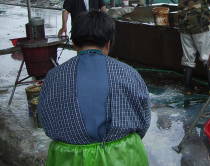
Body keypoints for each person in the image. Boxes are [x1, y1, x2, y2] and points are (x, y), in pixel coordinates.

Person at [39, 11, 151, 165]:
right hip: (124, 156)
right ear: (108, 43)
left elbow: (44, 120)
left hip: (69, 158)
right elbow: (143, 120)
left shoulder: (53, 76)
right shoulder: (129, 73)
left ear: (74, 43)